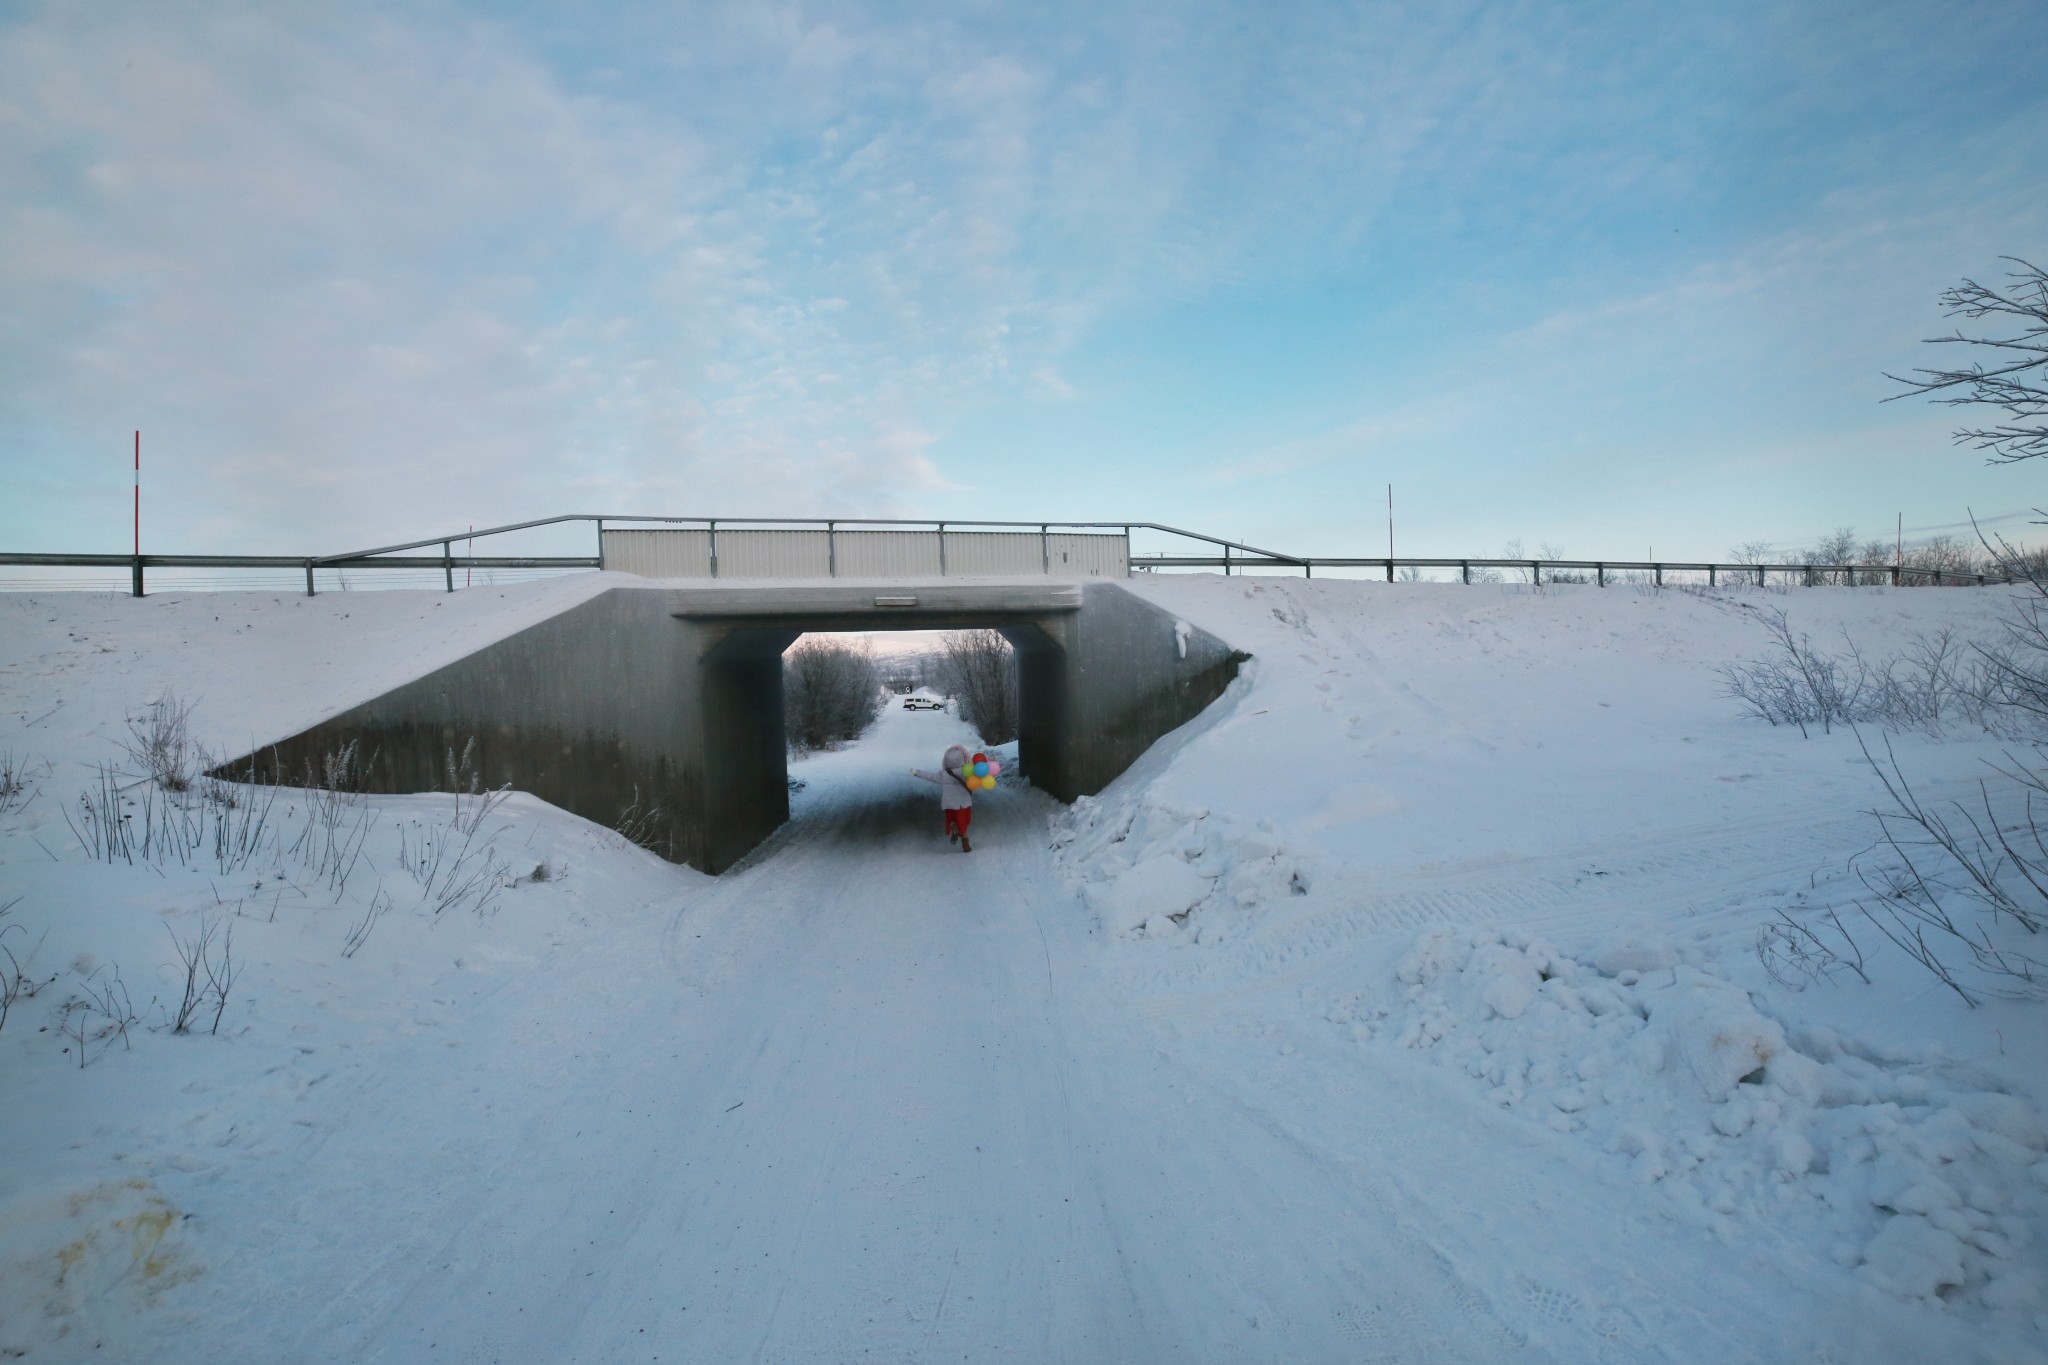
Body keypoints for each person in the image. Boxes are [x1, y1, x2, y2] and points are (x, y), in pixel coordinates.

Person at [910, 743, 975, 852]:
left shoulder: (944, 774)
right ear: (961, 760)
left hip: (949, 804)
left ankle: (953, 826)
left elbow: (930, 776)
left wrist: (916, 772)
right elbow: (979, 776)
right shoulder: (967, 772)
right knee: (964, 821)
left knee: (952, 819)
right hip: (964, 804)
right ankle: (965, 841)